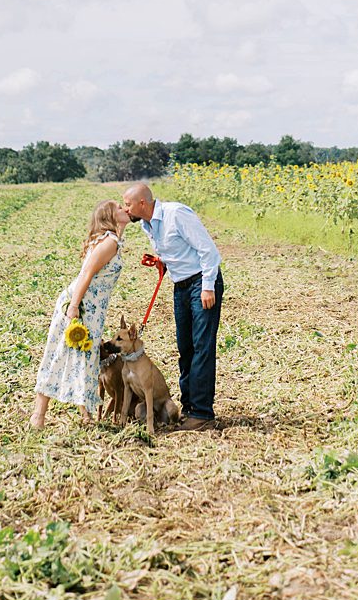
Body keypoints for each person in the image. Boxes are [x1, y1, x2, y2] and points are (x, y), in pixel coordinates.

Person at [122, 183, 224, 432]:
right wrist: (163, 261)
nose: (125, 210)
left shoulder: (176, 214)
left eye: (128, 204)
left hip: (201, 283)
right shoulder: (147, 225)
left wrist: (208, 287)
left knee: (202, 347)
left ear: (142, 204)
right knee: (185, 348)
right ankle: (189, 407)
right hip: (181, 286)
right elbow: (177, 250)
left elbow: (208, 251)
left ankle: (202, 414)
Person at [30, 199, 128, 428]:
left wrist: (123, 226)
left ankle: (86, 416)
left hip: (92, 309)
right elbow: (86, 274)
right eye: (120, 209)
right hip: (81, 306)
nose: (125, 209)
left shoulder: (113, 240)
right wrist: (74, 307)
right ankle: (38, 415)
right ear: (110, 217)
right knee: (60, 355)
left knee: (85, 359)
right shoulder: (109, 243)